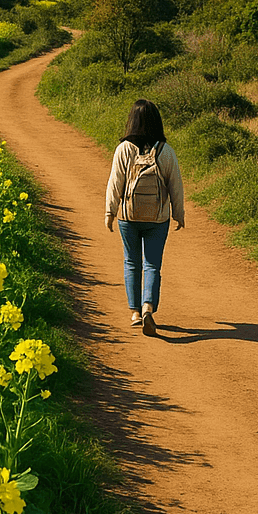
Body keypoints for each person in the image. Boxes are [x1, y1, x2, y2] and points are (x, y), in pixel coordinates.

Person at [104, 98, 184, 336]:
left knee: (131, 262)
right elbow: (175, 185)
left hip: (128, 216)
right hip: (158, 218)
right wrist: (179, 214)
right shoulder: (166, 151)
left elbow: (115, 183)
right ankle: (148, 306)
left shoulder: (124, 149)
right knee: (152, 264)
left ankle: (135, 313)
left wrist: (110, 212)